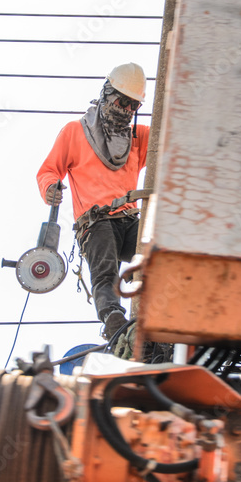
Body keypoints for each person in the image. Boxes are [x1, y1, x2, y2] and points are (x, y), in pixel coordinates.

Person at [36, 63, 150, 340]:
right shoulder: (75, 132)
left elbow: (172, 141)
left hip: (128, 220)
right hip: (95, 221)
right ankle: (113, 321)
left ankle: (154, 313)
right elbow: (49, 170)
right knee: (105, 271)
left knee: (153, 256)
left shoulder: (139, 138)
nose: (125, 110)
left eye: (133, 106)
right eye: (122, 101)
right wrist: (50, 187)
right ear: (107, 93)